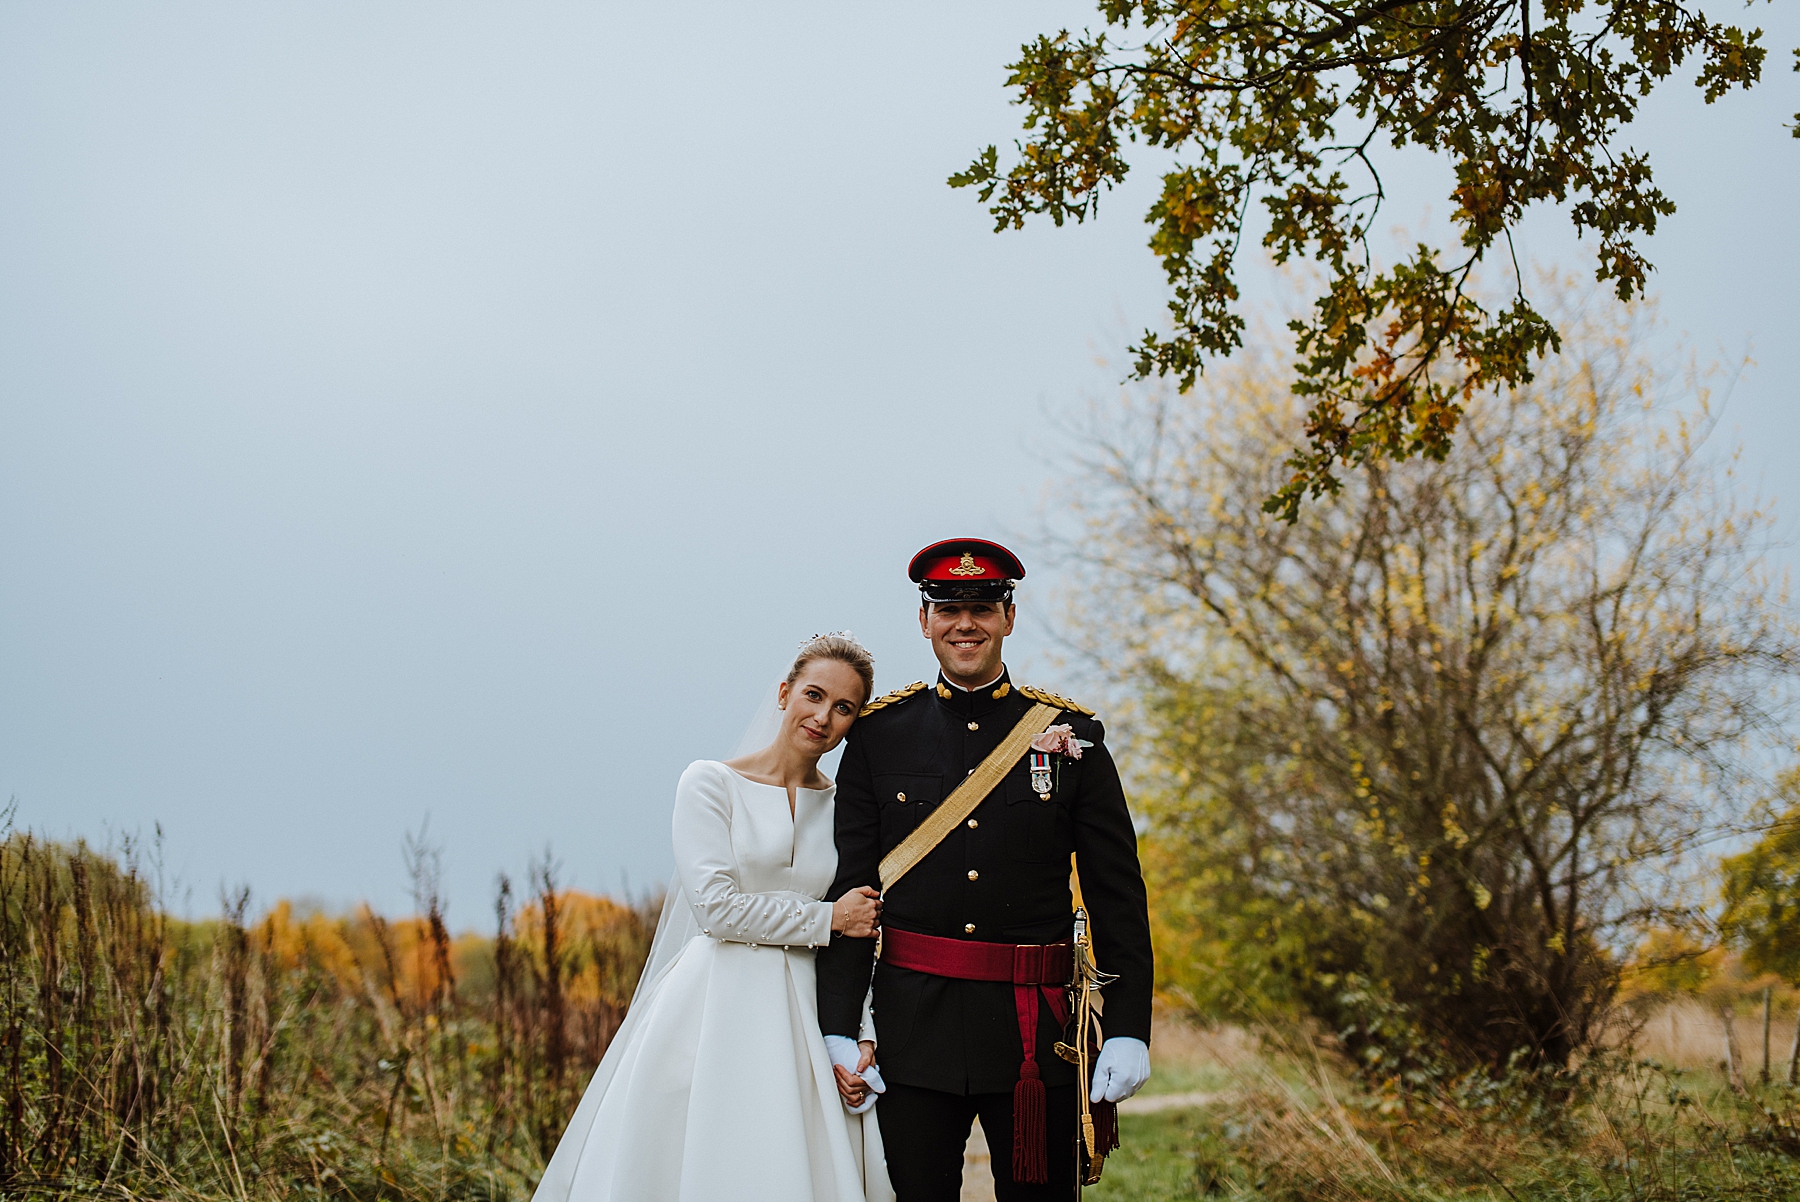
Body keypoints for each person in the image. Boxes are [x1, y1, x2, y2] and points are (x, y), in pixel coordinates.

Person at [816, 539, 1154, 1201]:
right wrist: (839, 1026)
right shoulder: (878, 738)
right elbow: (852, 894)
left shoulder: (1073, 737)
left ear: (1008, 616)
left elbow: (1117, 898)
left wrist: (1128, 1028)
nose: (963, 623)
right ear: (924, 620)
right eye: (947, 608)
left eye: (980, 606)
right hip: (912, 1034)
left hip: (1036, 1038)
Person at [532, 633, 895, 1202]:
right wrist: (827, 919)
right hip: (713, 1005)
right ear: (784, 693)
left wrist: (859, 1032)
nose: (823, 717)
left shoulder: (845, 804)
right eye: (814, 695)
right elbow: (717, 909)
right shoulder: (709, 783)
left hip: (805, 1009)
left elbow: (861, 928)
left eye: (843, 708)